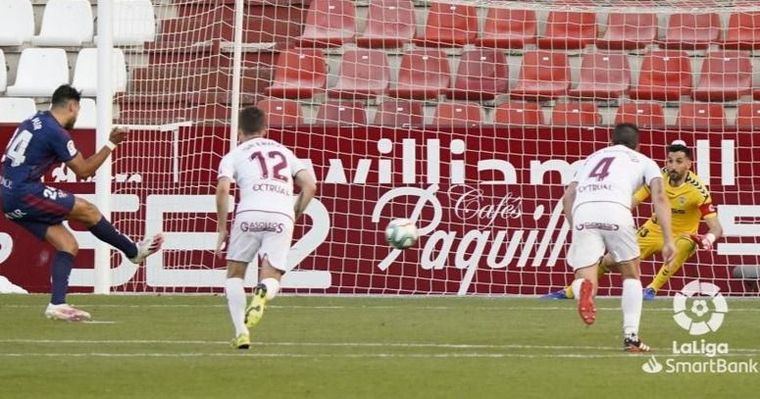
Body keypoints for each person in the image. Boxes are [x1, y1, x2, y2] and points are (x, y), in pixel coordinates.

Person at [0, 84, 163, 321]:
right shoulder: (55, 131)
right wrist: (111, 144)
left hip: (7, 194)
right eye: (78, 111)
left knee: (68, 244)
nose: (76, 117)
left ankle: (57, 304)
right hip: (25, 192)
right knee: (87, 210)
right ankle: (132, 251)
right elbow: (84, 170)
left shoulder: (34, 120)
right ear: (72, 106)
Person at [545, 140, 723, 301]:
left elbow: (716, 227)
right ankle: (569, 292)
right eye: (669, 161)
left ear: (688, 164)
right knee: (609, 261)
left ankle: (651, 290)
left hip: (681, 236)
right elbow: (635, 200)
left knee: (684, 244)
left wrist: (708, 239)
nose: (672, 166)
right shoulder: (659, 177)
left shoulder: (698, 190)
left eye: (678, 161)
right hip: (653, 230)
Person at [562, 123, 674, 352]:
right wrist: (668, 239)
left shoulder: (590, 158)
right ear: (637, 144)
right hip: (616, 210)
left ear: (612, 141)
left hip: (584, 210)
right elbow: (660, 198)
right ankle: (631, 336)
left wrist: (577, 228)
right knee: (631, 273)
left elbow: (568, 197)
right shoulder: (644, 161)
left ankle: (583, 287)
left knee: (586, 277)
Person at [215, 106, 317, 349]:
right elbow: (310, 186)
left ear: (239, 131)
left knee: (235, 275)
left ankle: (241, 332)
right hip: (281, 214)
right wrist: (294, 214)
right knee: (272, 277)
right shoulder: (283, 151)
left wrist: (221, 227)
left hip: (249, 212)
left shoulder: (234, 155)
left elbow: (223, 189)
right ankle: (263, 290)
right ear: (265, 129)